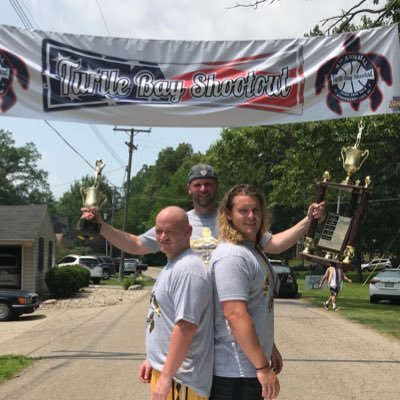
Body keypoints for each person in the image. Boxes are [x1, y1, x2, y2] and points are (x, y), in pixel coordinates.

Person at [209, 184, 325, 400]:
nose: (251, 216)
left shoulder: (251, 248)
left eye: (256, 210)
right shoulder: (232, 256)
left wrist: (269, 346)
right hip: (236, 374)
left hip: (248, 366)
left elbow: (255, 307)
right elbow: (235, 315)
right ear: (229, 215)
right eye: (243, 211)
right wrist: (263, 367)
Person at [138, 206, 214, 400]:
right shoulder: (173, 264)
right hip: (171, 373)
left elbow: (186, 327)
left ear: (188, 232)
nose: (163, 237)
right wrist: (153, 360)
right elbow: (166, 318)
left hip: (182, 380)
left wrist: (166, 376)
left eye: (170, 231)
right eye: (159, 231)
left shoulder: (188, 270)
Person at [81, 163, 219, 264]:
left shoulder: (230, 221)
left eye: (208, 184)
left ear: (216, 187)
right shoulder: (178, 222)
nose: (203, 189)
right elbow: (136, 244)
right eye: (197, 184)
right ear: (189, 189)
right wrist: (101, 226)